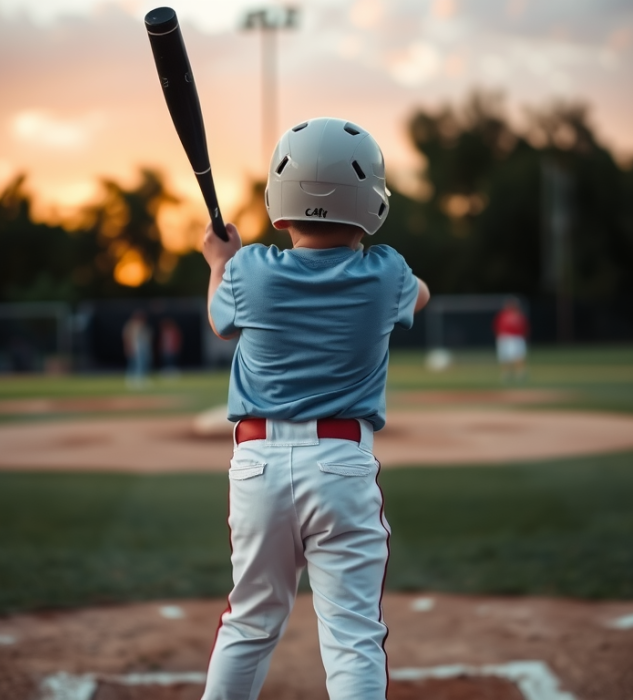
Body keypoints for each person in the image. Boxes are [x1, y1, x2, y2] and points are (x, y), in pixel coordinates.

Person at [199, 117, 430, 700]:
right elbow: (419, 295)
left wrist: (218, 263)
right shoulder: (388, 274)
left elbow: (220, 322)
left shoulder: (248, 271)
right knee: (352, 636)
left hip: (257, 466)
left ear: (280, 204)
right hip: (341, 465)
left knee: (249, 622)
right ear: (372, 203)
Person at [492, 297, 529, 382]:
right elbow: (497, 327)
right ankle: (506, 374)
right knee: (505, 357)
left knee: (518, 356)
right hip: (504, 337)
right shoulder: (503, 315)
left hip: (517, 337)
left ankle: (520, 374)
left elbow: (525, 328)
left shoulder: (519, 315)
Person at [122, 310, 152, 387]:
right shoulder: (131, 325)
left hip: (143, 347)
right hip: (135, 347)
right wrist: (128, 347)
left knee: (143, 363)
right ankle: (133, 380)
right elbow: (127, 337)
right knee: (135, 363)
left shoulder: (143, 325)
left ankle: (141, 379)